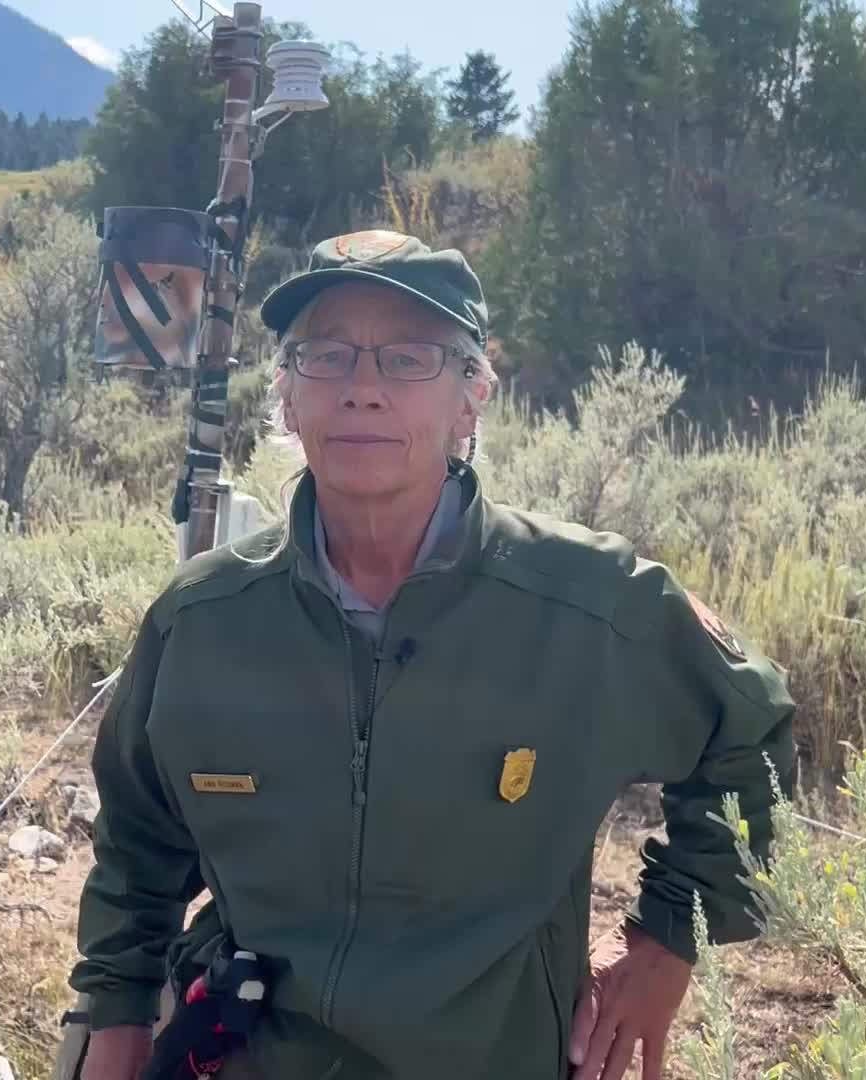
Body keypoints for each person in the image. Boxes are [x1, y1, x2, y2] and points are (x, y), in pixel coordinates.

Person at [68, 230, 797, 1080]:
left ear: (471, 397)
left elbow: (752, 736)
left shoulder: (587, 604)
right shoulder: (202, 620)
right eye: (326, 357)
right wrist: (117, 1015)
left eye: (409, 359)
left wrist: (667, 939)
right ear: (287, 396)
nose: (364, 391)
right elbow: (138, 838)